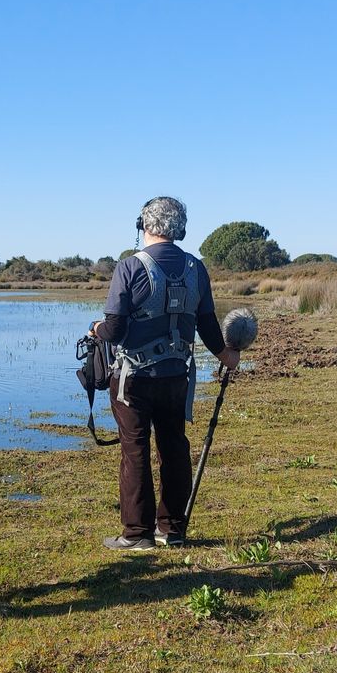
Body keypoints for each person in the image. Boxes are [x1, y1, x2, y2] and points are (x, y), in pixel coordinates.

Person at [90, 197, 239, 550]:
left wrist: (96, 329)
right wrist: (226, 355)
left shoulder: (129, 267)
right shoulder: (196, 268)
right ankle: (171, 531)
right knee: (174, 448)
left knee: (135, 451)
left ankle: (136, 535)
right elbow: (207, 323)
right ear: (180, 228)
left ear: (144, 225)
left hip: (132, 381)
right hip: (176, 378)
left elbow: (114, 329)